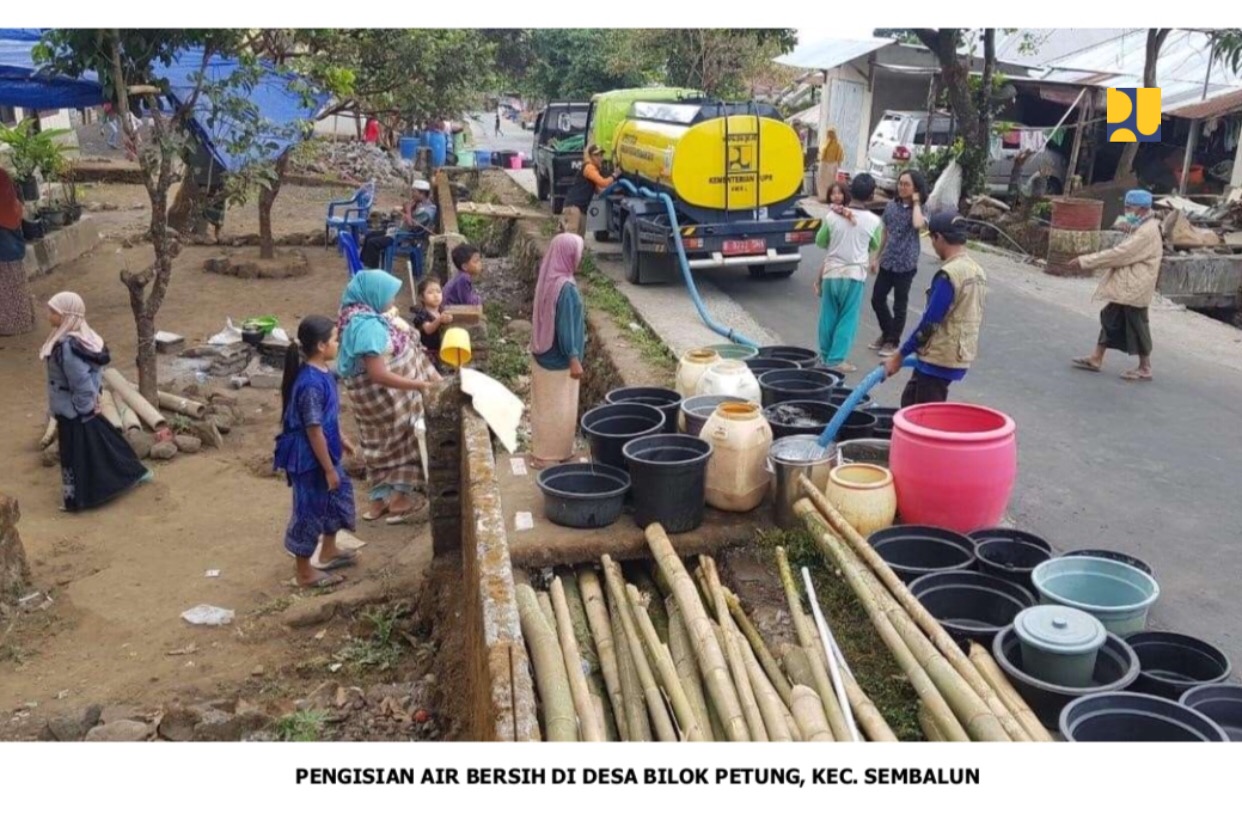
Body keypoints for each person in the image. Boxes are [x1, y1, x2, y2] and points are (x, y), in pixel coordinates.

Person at [338, 270, 441, 524]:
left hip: (367, 402)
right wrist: (418, 384)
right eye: (389, 296)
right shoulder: (369, 328)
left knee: (376, 445)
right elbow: (378, 375)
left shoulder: (355, 314)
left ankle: (377, 503)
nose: (393, 302)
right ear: (374, 295)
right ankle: (399, 501)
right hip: (383, 400)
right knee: (400, 441)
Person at [41, 293, 151, 511]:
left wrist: (83, 408)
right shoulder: (82, 339)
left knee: (78, 454)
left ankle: (82, 497)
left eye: (54, 312)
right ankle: (128, 474)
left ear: (67, 316)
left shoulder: (68, 348)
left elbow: (80, 381)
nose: (49, 315)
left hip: (74, 411)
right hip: (78, 409)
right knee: (101, 445)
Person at [275, 316, 358, 588]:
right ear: (322, 346)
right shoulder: (310, 384)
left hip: (325, 451)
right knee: (308, 510)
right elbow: (313, 429)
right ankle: (304, 572)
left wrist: (342, 438)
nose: (338, 342)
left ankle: (329, 550)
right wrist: (328, 469)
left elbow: (326, 418)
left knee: (336, 497)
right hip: (309, 460)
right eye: (335, 338)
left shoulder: (324, 372)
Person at [883, 212, 988, 407]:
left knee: (924, 417)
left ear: (938, 237)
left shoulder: (949, 274)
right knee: (909, 401)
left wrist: (899, 356)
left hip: (939, 359)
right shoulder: (977, 271)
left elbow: (930, 323)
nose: (932, 245)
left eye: (931, 239)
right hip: (958, 354)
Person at [1068, 189, 1163, 382]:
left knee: (1137, 324)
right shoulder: (1142, 225)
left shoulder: (1147, 232)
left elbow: (1120, 254)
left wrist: (1086, 261)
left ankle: (1145, 367)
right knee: (1110, 317)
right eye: (1126, 207)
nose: (1127, 211)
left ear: (1143, 209)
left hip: (1135, 286)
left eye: (1130, 208)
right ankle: (1096, 357)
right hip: (1128, 284)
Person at [814, 174, 883, 373]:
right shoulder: (874, 221)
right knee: (847, 318)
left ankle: (825, 354)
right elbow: (875, 244)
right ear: (871, 196)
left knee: (828, 315)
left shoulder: (832, 216)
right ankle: (836, 359)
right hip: (854, 276)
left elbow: (820, 241)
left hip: (831, 274)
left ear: (849, 193)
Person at [530, 234, 587, 468]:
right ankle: (548, 456)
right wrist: (574, 357)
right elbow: (566, 327)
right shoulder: (567, 289)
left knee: (544, 406)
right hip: (560, 358)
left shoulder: (548, 279)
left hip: (542, 352)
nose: (580, 258)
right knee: (559, 408)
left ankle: (552, 451)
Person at [871, 169, 929, 358]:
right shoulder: (891, 207)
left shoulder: (920, 209)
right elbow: (885, 233)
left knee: (899, 304)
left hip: (906, 264)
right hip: (888, 261)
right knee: (877, 299)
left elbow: (918, 225)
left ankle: (893, 341)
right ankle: (888, 333)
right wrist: (877, 257)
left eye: (907, 184)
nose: (902, 187)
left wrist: (916, 201)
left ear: (916, 188)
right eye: (900, 183)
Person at [360, 180, 437, 272]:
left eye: (414, 191)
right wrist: (407, 208)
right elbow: (408, 217)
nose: (412, 194)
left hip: (405, 237)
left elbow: (412, 226)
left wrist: (408, 210)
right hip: (398, 231)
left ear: (422, 193)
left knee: (373, 243)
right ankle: (364, 265)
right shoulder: (419, 204)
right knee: (369, 236)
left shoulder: (427, 210)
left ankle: (372, 271)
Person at [1, 168, 36, 336]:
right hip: (10, 241)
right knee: (13, 284)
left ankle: (12, 324)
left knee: (7, 285)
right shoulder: (4, 176)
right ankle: (21, 321)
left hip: (5, 242)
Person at [561, 144, 615, 237]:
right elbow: (603, 182)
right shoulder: (589, 167)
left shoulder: (594, 171)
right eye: (596, 155)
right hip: (574, 209)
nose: (600, 158)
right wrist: (615, 175)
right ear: (590, 156)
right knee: (571, 240)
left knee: (579, 242)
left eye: (601, 155)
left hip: (582, 210)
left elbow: (599, 191)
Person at [411, 278, 453, 361]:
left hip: (441, 350)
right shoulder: (422, 314)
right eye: (430, 293)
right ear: (421, 297)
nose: (436, 295)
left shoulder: (442, 310)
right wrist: (439, 320)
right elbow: (428, 329)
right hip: (427, 353)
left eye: (438, 291)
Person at [816, 128, 846, 202]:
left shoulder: (827, 144)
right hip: (831, 165)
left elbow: (822, 155)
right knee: (828, 181)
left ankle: (824, 197)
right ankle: (826, 197)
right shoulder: (836, 144)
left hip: (827, 165)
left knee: (825, 182)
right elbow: (840, 156)